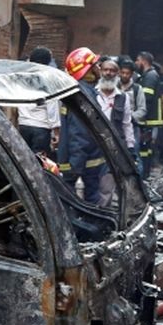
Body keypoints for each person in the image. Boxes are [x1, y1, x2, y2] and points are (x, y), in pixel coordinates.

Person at [58, 47, 107, 206]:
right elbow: (79, 133)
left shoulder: (83, 91)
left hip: (83, 160)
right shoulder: (81, 94)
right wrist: (75, 167)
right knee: (78, 203)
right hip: (81, 161)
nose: (99, 68)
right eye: (95, 65)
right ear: (88, 70)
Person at [12, 46, 60, 156]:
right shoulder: (48, 79)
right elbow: (52, 107)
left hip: (23, 125)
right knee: (40, 163)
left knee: (24, 160)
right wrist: (57, 132)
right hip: (41, 129)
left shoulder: (22, 77)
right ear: (47, 62)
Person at [94, 57, 135, 154]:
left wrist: (130, 147)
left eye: (112, 71)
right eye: (105, 70)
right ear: (100, 72)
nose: (108, 73)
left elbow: (127, 124)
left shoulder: (123, 97)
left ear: (117, 74)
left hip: (116, 145)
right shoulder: (92, 94)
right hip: (95, 145)